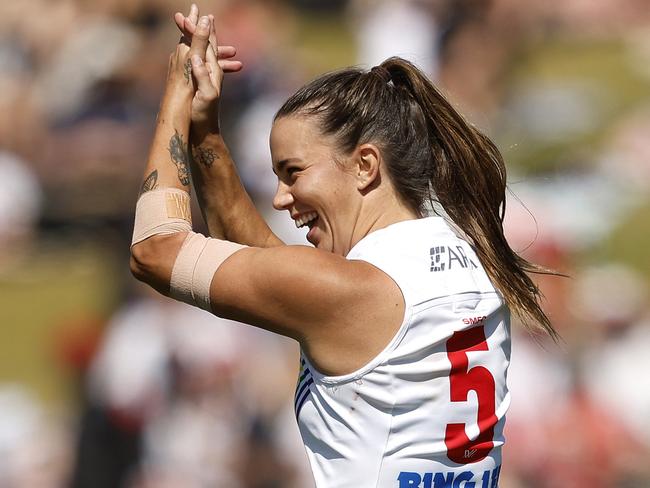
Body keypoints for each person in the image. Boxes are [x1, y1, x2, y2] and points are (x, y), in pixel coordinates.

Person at [130, 5, 558, 487]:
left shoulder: (353, 293)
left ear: (365, 165)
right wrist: (205, 129)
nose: (280, 197)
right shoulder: (465, 256)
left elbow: (155, 249)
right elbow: (267, 266)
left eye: (294, 172)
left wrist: (174, 98)